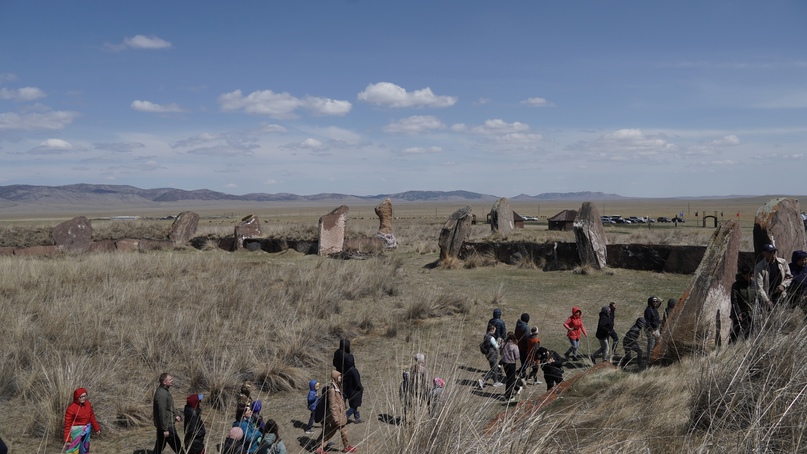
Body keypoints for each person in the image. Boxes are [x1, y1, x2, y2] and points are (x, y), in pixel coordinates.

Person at [314, 370, 357, 454]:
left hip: (340, 415)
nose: (341, 377)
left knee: (339, 432)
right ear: (335, 377)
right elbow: (332, 406)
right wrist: (336, 419)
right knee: (332, 433)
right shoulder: (332, 390)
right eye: (339, 376)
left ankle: (346, 447)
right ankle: (320, 447)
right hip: (336, 417)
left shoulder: (338, 387)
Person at [63, 387, 101, 454]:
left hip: (86, 430)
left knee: (85, 449)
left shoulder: (88, 404)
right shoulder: (71, 408)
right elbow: (67, 424)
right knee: (73, 450)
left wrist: (96, 428)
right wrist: (67, 439)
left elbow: (91, 417)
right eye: (81, 396)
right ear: (77, 397)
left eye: (85, 396)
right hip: (76, 432)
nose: (83, 398)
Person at [754, 243, 793, 309]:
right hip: (767, 297)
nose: (773, 254)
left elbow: (789, 277)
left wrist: (783, 285)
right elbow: (759, 287)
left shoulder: (782, 262)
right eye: (770, 252)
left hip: (781, 296)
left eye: (774, 252)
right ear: (764, 254)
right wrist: (767, 300)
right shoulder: (759, 267)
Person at [153, 372, 182, 454]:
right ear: (164, 382)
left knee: (159, 446)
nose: (172, 381)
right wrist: (165, 429)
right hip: (167, 425)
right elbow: (162, 412)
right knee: (177, 446)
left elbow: (169, 407)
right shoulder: (162, 395)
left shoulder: (164, 391)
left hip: (164, 424)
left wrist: (175, 415)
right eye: (170, 379)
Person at [730, 265, 756, 343]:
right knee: (735, 332)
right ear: (743, 275)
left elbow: (756, 298)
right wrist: (738, 313)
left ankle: (745, 348)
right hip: (739, 312)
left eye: (752, 276)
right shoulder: (736, 285)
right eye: (749, 276)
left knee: (749, 333)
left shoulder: (753, 284)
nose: (751, 278)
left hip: (750, 312)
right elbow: (734, 300)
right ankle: (731, 348)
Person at [478, 324, 504, 389]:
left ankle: (496, 381)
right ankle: (483, 381)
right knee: (494, 369)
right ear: (492, 330)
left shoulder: (486, 336)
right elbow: (497, 347)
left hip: (488, 355)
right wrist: (499, 343)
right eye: (494, 330)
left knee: (494, 368)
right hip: (492, 354)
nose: (495, 331)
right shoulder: (491, 338)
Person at [342, 355, 364, 424]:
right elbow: (357, 381)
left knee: (353, 405)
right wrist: (361, 388)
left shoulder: (346, 370)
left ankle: (357, 418)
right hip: (355, 391)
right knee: (354, 406)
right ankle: (345, 416)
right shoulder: (354, 371)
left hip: (348, 391)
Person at [501, 332, 520, 403]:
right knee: (510, 380)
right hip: (511, 364)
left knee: (509, 378)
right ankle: (508, 395)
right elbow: (517, 356)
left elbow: (501, 353)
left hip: (504, 362)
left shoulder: (503, 344)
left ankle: (516, 388)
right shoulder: (514, 346)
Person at [644, 296, 661, 362]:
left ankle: (655, 357)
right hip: (650, 330)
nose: (655, 303)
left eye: (656, 301)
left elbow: (660, 302)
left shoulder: (655, 309)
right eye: (654, 301)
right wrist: (651, 330)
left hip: (656, 328)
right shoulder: (648, 310)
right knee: (651, 344)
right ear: (651, 302)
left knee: (658, 342)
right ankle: (649, 360)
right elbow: (647, 322)